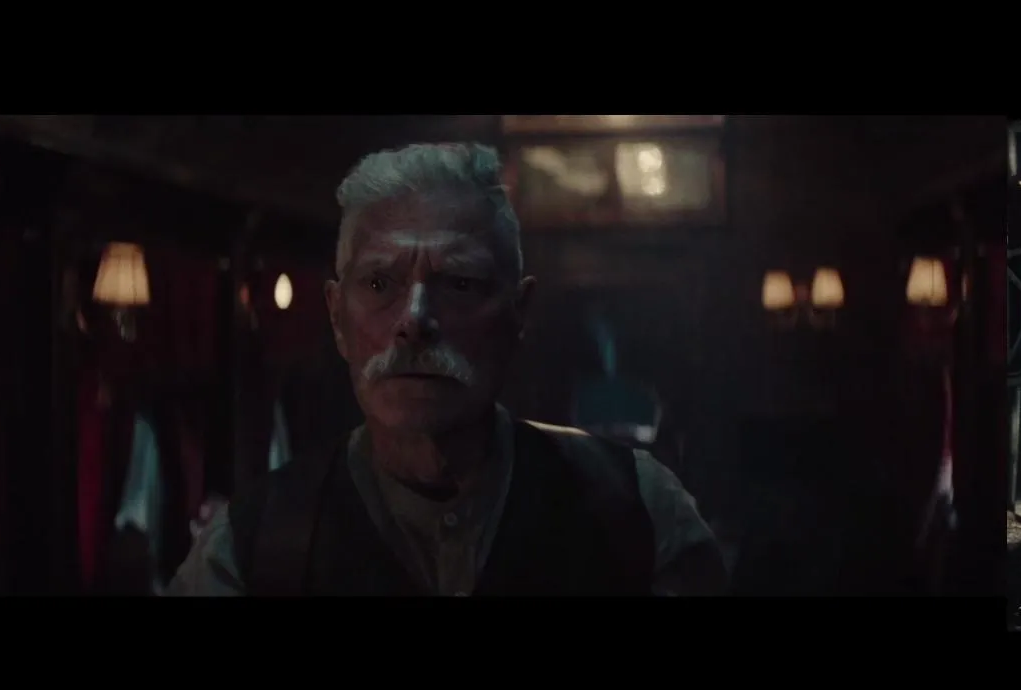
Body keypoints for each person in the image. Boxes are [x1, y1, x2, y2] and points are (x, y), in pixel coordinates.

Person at [167, 143, 727, 596]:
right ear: (337, 317)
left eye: (459, 282)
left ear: (517, 314)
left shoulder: (634, 510)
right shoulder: (252, 546)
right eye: (379, 283)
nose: (414, 321)